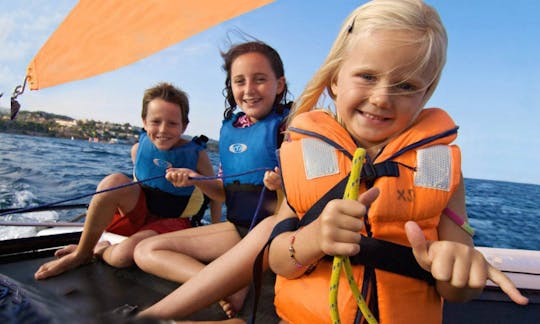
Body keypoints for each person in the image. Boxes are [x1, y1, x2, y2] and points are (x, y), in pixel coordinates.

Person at [266, 0, 529, 323]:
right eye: (367, 76)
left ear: (426, 94)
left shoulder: (438, 169)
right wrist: (314, 238)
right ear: (335, 79)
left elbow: (456, 293)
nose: (381, 98)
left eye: (406, 86)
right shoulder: (305, 156)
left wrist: (459, 267)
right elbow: (278, 260)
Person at [133, 41, 291, 318]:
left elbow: (314, 195)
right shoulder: (231, 130)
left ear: (279, 85)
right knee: (146, 250)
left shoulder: (293, 128)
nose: (249, 89)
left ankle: (222, 284)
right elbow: (223, 193)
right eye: (239, 81)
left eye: (260, 79)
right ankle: (226, 286)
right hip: (237, 231)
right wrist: (196, 179)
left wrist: (283, 186)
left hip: (273, 238)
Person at [34, 82, 217, 280]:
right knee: (113, 181)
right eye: (156, 121)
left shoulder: (198, 157)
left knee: (122, 256)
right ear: (144, 122)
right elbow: (137, 186)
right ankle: (83, 252)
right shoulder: (138, 149)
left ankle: (101, 249)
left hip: (172, 222)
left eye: (172, 123)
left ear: (184, 126)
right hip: (141, 212)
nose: (163, 130)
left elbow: (215, 195)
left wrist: (215, 234)